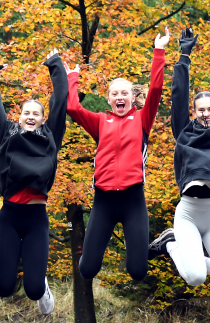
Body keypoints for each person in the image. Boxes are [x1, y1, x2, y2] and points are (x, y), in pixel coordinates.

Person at [66, 29, 170, 281]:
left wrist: (159, 51)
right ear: (109, 99)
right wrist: (72, 76)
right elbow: (72, 107)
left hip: (133, 200)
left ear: (133, 98)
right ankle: (92, 252)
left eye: (125, 93)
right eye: (115, 93)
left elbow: (156, 89)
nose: (120, 97)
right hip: (103, 201)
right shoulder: (100, 122)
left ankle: (165, 242)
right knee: (87, 270)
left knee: (137, 271)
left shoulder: (143, 119)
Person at [146, 30, 210, 291]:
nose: (206, 113)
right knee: (196, 277)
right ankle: (171, 243)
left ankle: (194, 256)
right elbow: (178, 94)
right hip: (188, 211)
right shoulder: (184, 132)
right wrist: (184, 56)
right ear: (194, 112)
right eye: (201, 109)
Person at [0, 49, 68, 314]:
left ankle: (41, 281)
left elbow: (61, 100)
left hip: (36, 217)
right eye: (26, 112)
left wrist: (55, 64)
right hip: (9, 215)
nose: (30, 116)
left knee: (34, 290)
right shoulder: (8, 134)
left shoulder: (51, 137)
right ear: (19, 117)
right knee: (4, 289)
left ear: (42, 119)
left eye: (36, 113)